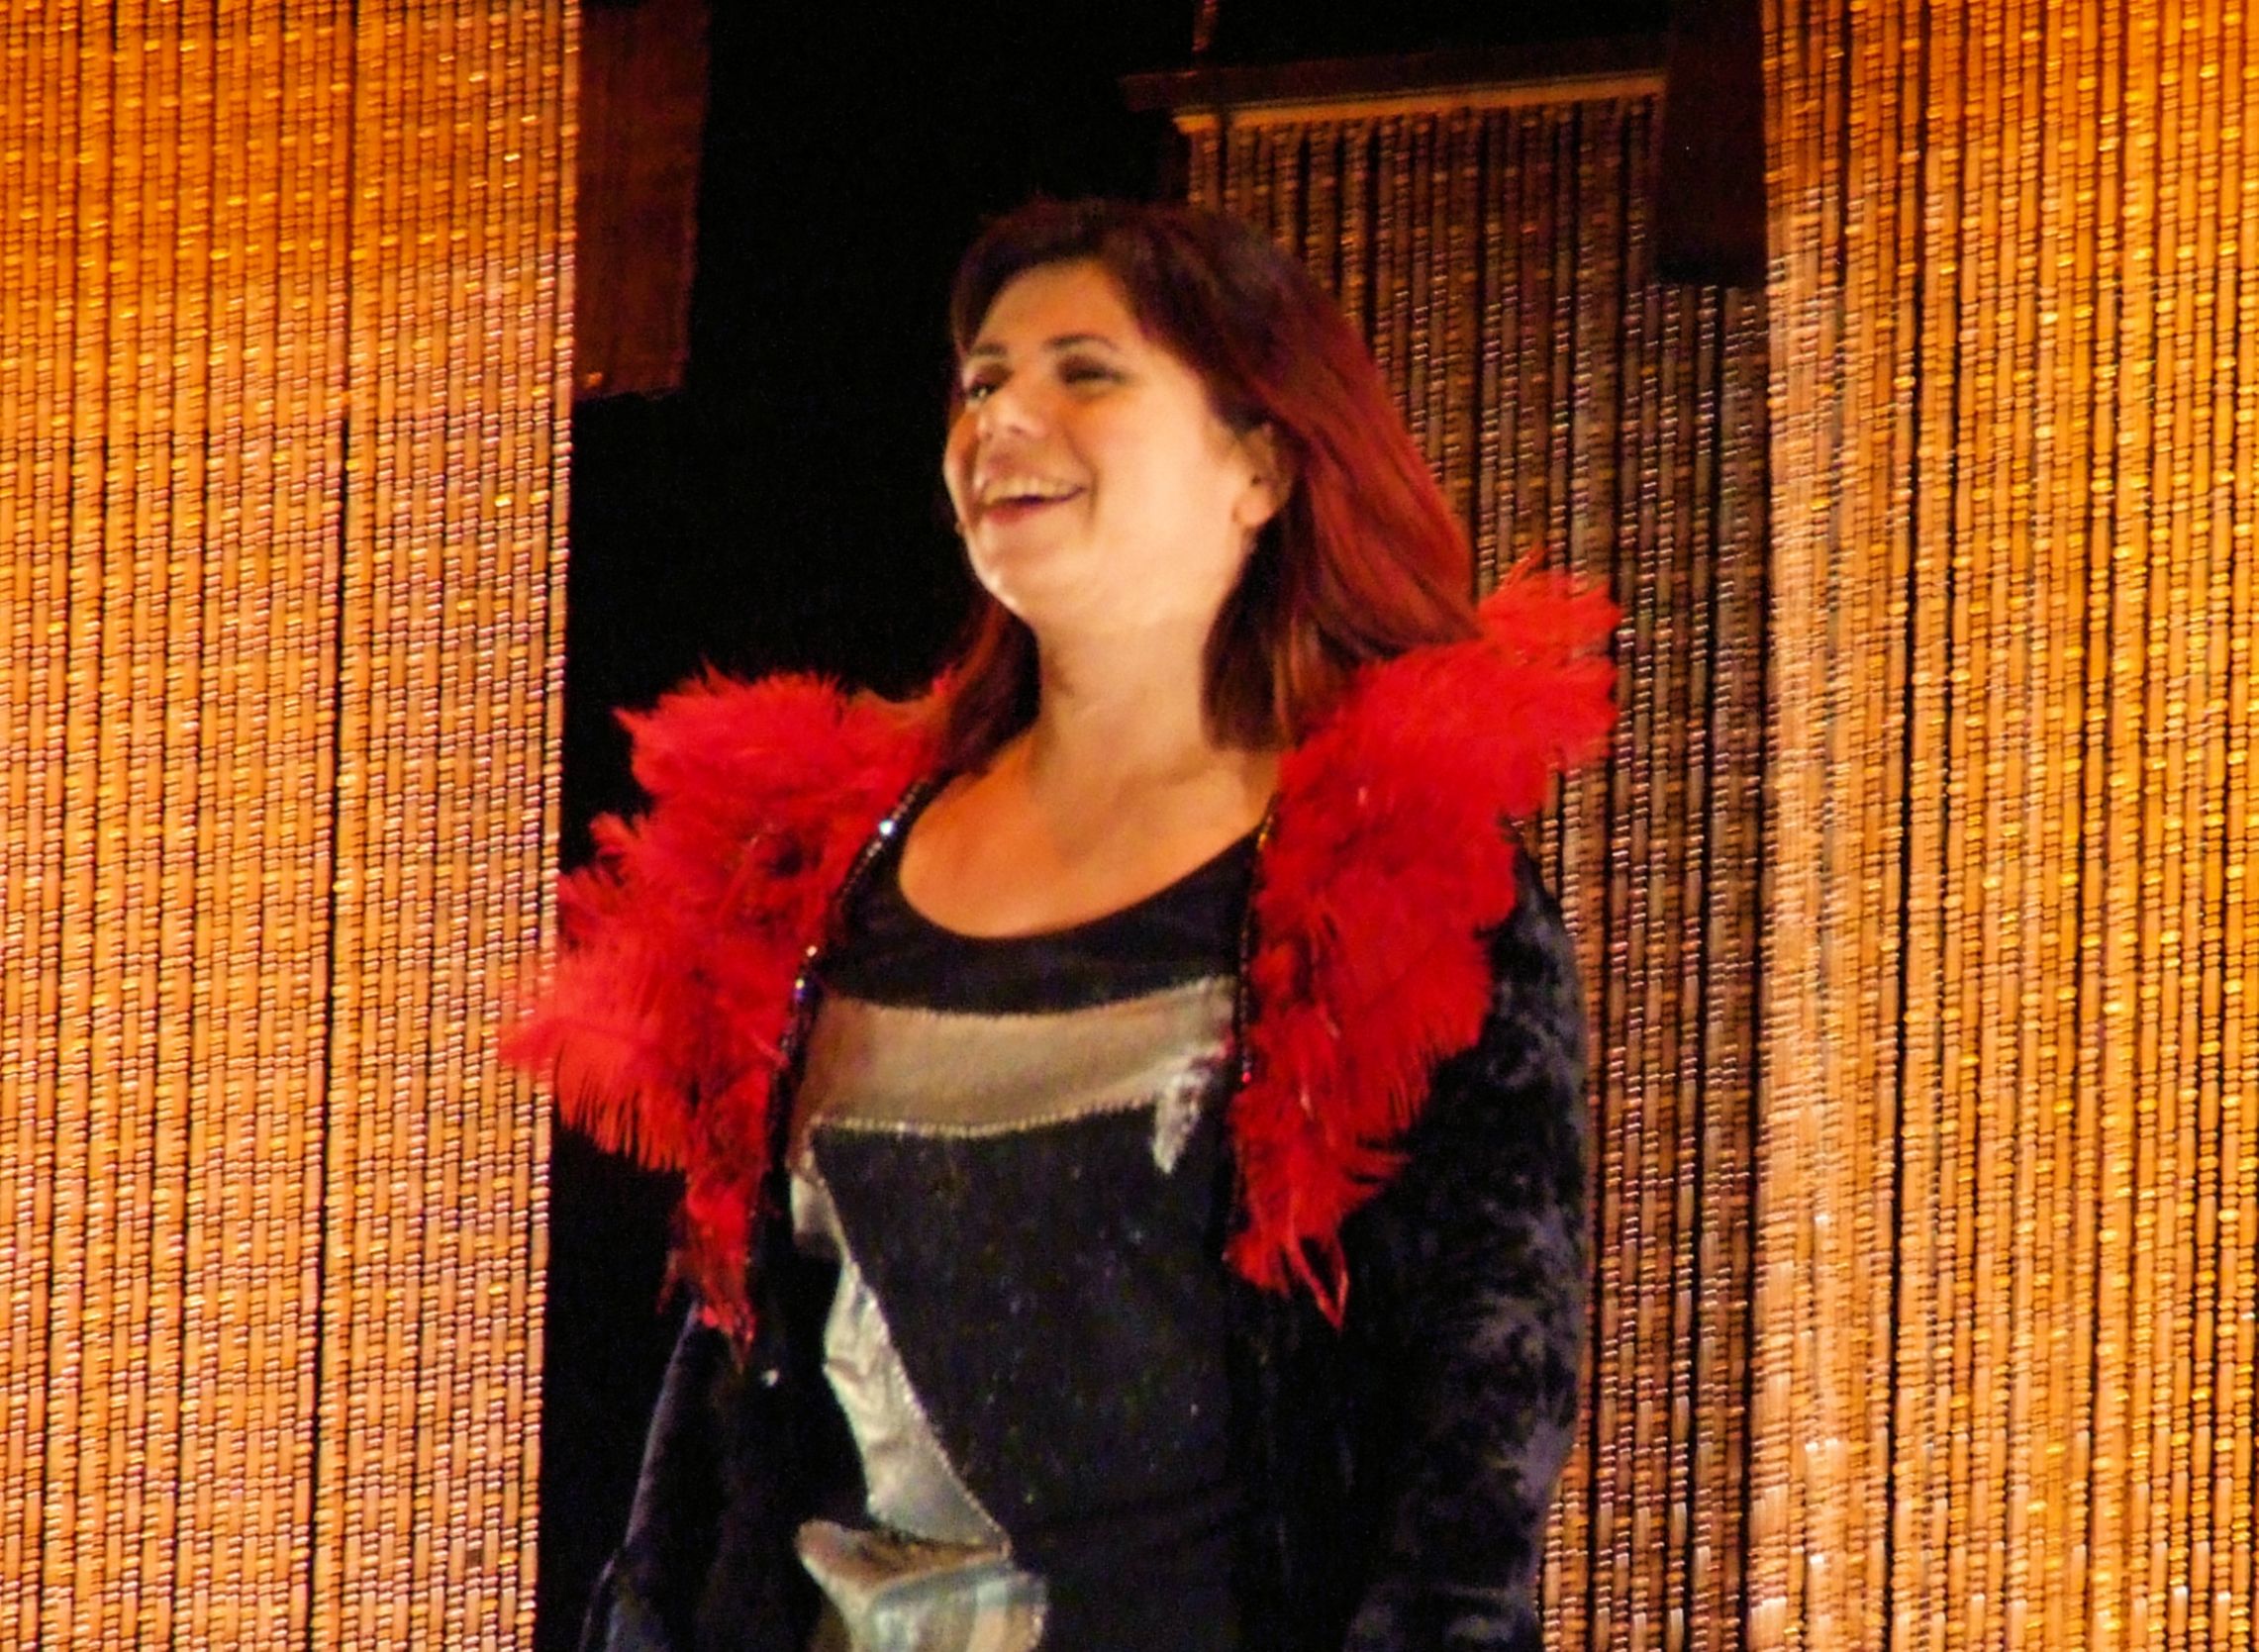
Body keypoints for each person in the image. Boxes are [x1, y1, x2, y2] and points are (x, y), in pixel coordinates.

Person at [503, 197, 1617, 1652]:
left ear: (1260, 465)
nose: (1002, 420)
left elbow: (1476, 1427)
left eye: (1084, 372)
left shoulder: (1398, 884)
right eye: (981, 383)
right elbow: (725, 1393)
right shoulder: (821, 869)